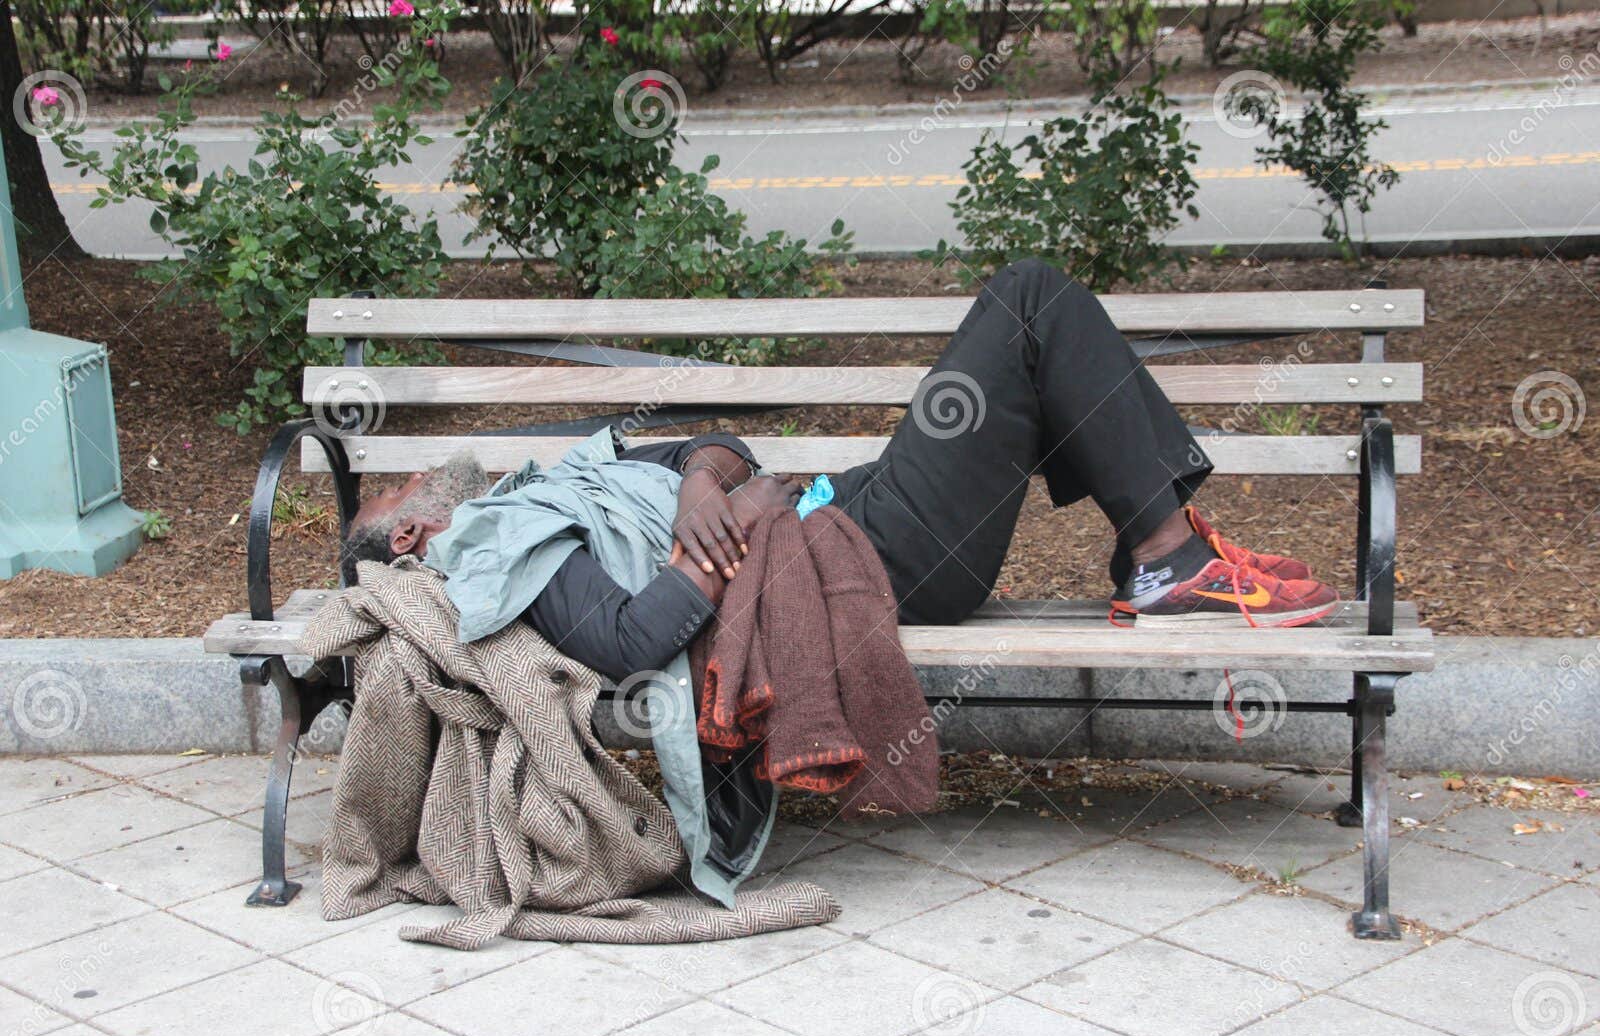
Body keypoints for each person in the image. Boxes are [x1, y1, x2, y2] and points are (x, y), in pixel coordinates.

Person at [343, 259, 1339, 683]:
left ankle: (1153, 557)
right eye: (391, 490)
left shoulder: (542, 487)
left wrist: (705, 482)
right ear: (407, 533)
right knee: (1028, 301)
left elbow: (714, 444)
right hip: (869, 556)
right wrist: (730, 538)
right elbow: (629, 640)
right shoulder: (503, 546)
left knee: (1027, 341)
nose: (414, 474)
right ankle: (1162, 559)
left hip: (856, 511)